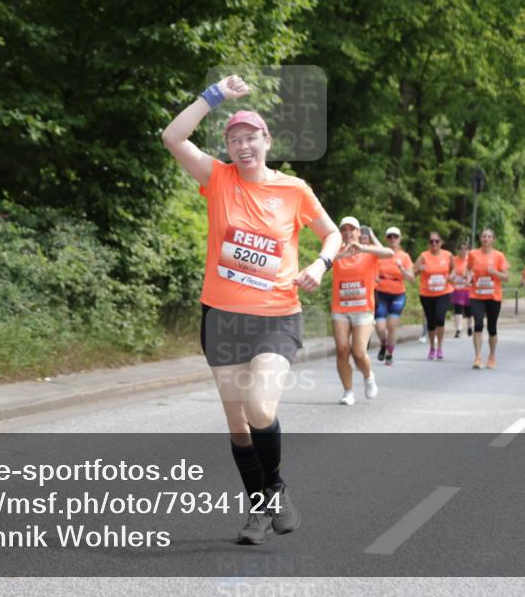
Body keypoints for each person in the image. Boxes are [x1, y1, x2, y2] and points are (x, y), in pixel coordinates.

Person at [162, 75, 341, 544]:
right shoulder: (217, 179)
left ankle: (275, 488)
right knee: (238, 425)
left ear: (267, 141)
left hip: (277, 316)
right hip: (220, 318)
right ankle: (262, 508)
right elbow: (172, 137)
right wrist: (215, 94)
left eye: (251, 137)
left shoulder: (294, 189)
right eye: (234, 139)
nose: (243, 145)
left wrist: (321, 265)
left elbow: (332, 234)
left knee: (260, 408)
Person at [332, 219, 393, 405]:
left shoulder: (369, 253)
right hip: (340, 309)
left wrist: (364, 248)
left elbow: (389, 253)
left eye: (352, 229)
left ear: (359, 232)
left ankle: (368, 377)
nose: (348, 232)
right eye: (344, 229)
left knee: (358, 352)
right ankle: (348, 391)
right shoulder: (337, 251)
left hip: (363, 309)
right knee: (342, 350)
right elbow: (323, 259)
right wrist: (341, 255)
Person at [465, 228, 509, 369]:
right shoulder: (473, 254)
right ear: (480, 239)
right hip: (476, 295)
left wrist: (494, 272)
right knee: (478, 324)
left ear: (493, 240)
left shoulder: (499, 256)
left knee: (492, 328)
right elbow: (468, 269)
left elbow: (506, 277)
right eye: (484, 236)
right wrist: (468, 277)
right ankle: (478, 357)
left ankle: (492, 356)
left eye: (489, 237)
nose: (486, 239)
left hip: (493, 296)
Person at [374, 226, 415, 366]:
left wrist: (401, 268)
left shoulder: (404, 256)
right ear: (386, 239)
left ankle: (390, 353)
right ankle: (383, 344)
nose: (392, 239)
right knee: (379, 327)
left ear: (400, 239)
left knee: (392, 325)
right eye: (390, 237)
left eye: (395, 237)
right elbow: (372, 271)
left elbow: (411, 278)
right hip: (381, 293)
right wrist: (375, 278)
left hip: (398, 294)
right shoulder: (381, 254)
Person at [413, 232, 456, 360]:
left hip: (443, 292)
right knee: (431, 322)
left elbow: (453, 269)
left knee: (439, 318)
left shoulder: (448, 255)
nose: (434, 244)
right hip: (427, 294)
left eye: (437, 241)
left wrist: (452, 275)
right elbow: (412, 273)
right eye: (431, 241)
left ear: (441, 242)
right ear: (428, 243)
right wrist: (419, 269)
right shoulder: (423, 256)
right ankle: (432, 347)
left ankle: (440, 347)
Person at [451, 242, 472, 338]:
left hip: (469, 289)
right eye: (461, 249)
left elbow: (475, 272)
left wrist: (468, 276)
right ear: (458, 250)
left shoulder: (471, 260)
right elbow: (450, 272)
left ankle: (469, 326)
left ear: (468, 250)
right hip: (457, 288)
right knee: (458, 309)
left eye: (465, 249)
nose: (463, 251)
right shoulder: (454, 260)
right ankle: (458, 329)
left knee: (469, 310)